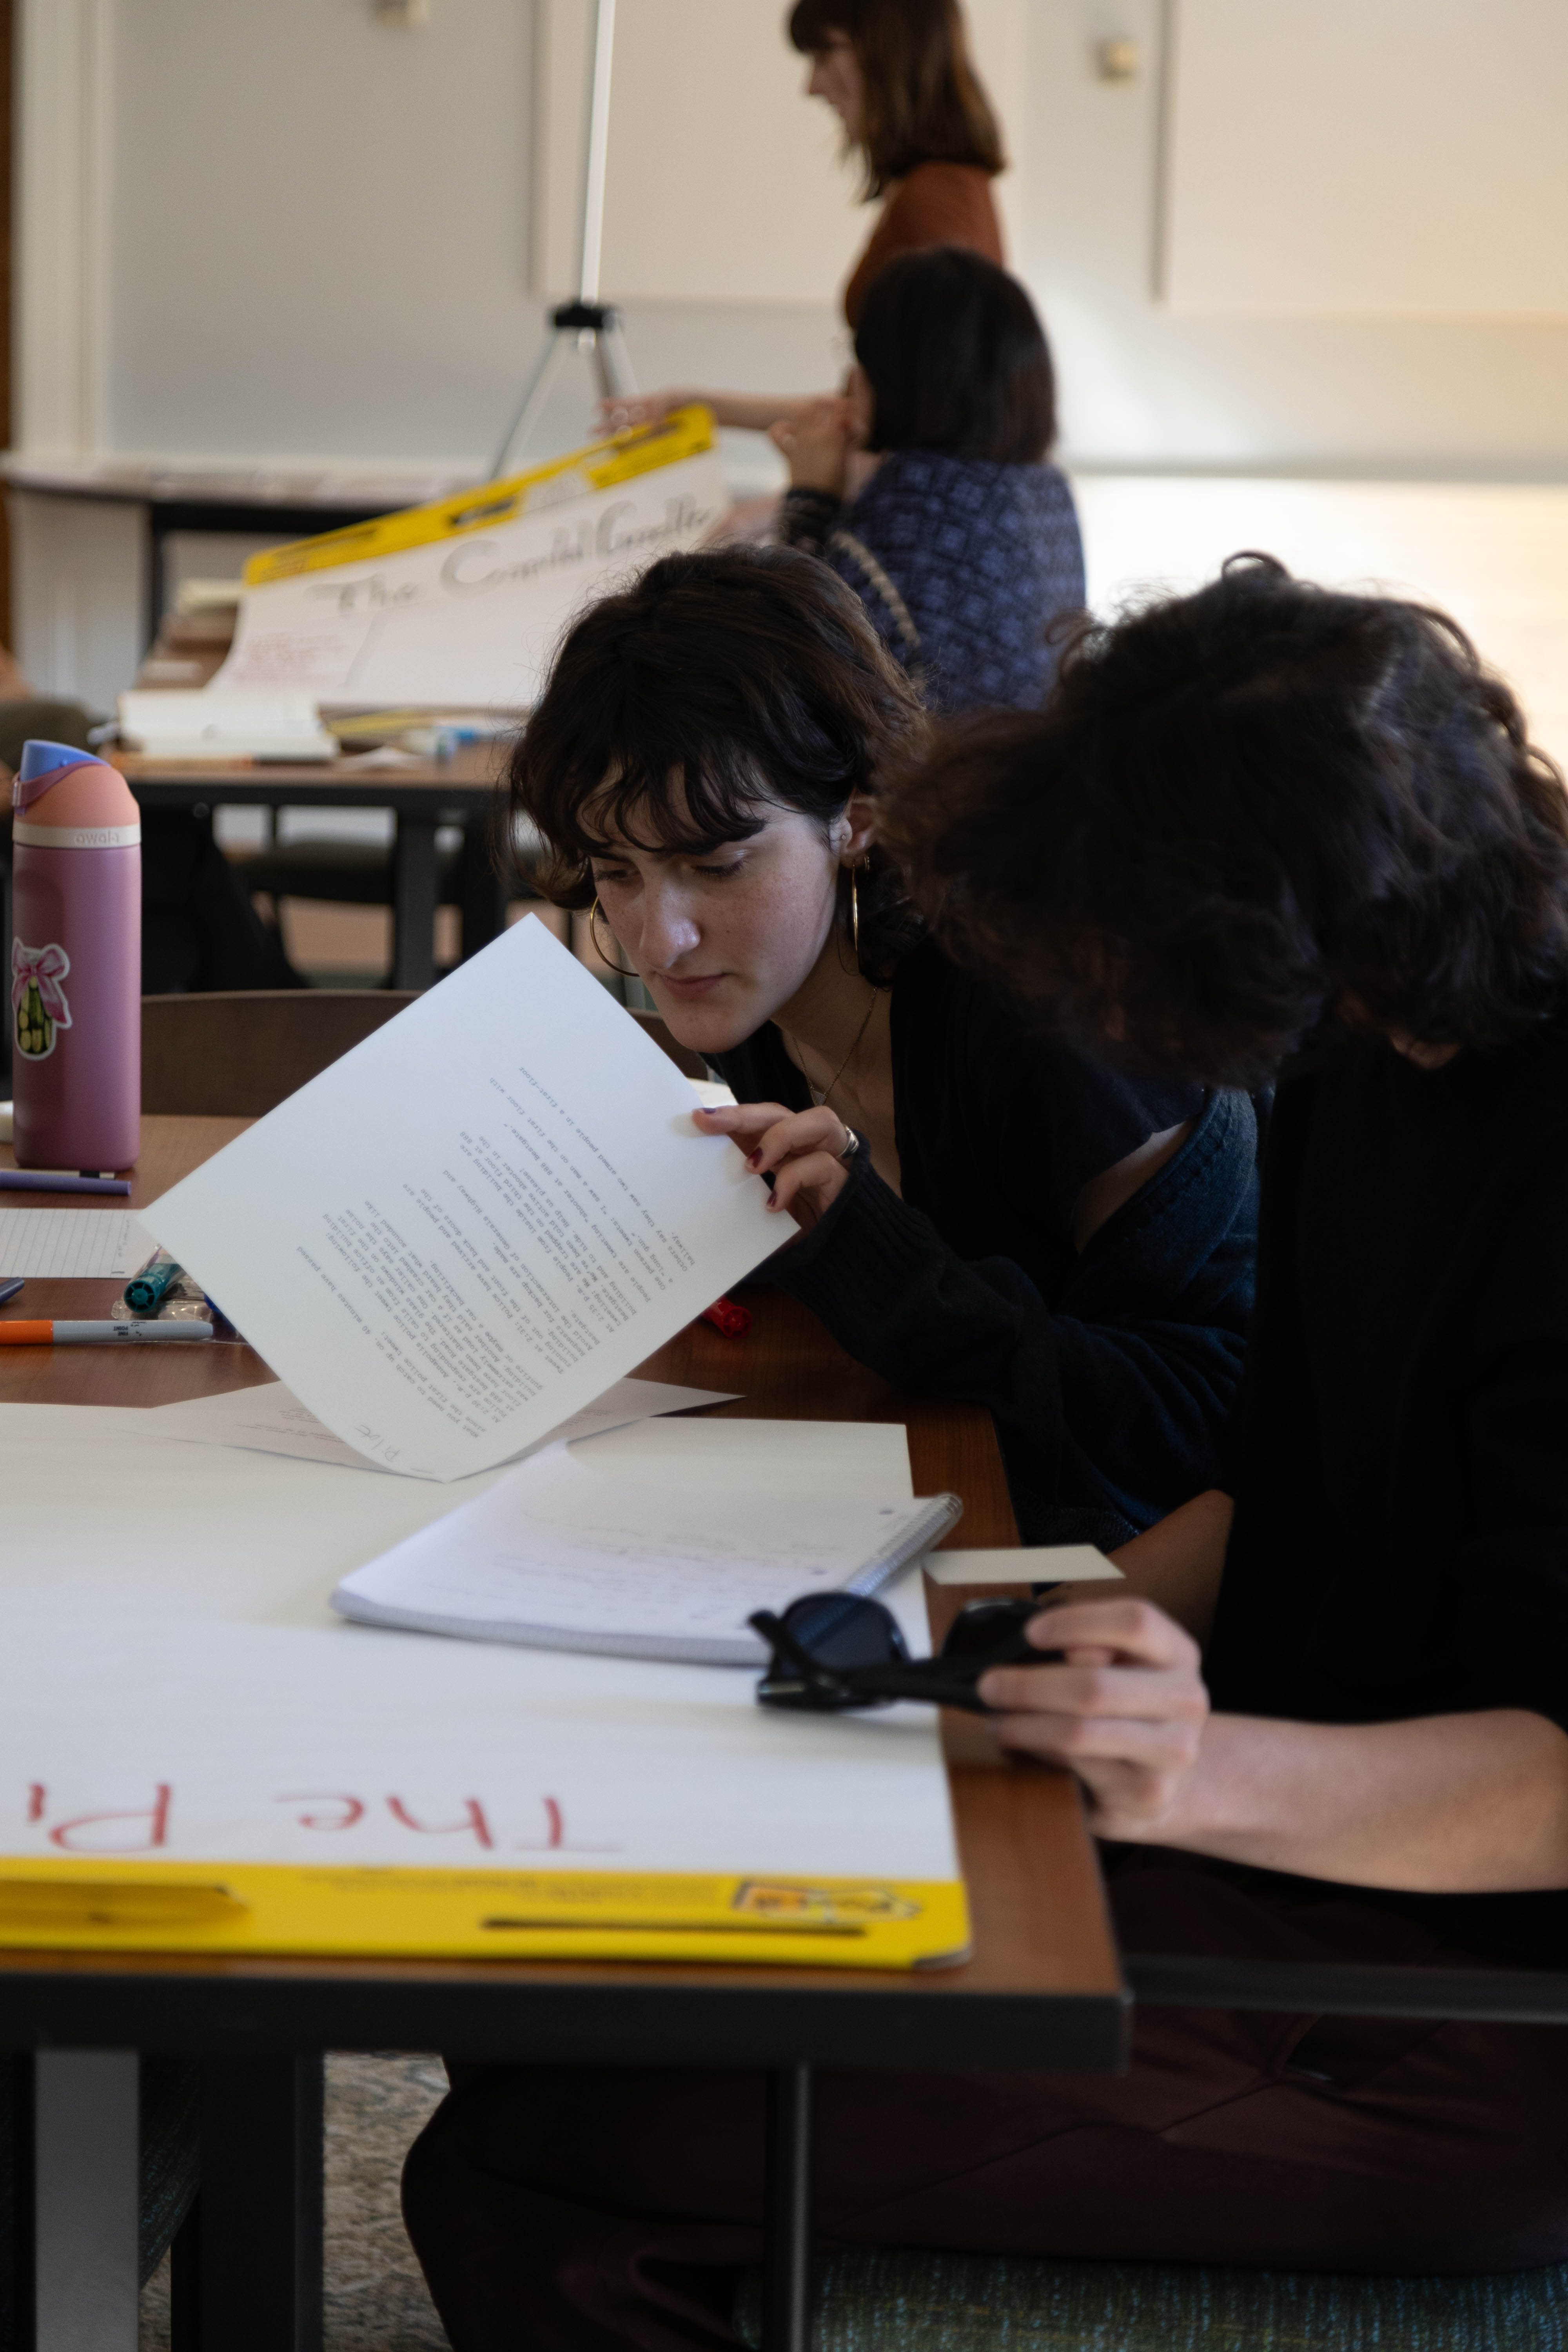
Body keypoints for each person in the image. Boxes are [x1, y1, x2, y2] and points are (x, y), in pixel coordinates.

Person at [401, 559, 1568, 2344]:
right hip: (1290, 1846)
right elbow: (1277, 1494)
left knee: (556, 2135)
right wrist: (945, 1638)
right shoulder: (1375, 1039)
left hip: (1461, 2017)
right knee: (587, 1963)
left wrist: (1185, 1772)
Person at [503, 540, 1254, 1544]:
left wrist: (878, 1264)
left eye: (716, 864)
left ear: (854, 820)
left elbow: (1214, 1413)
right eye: (615, 870)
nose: (657, 937)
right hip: (934, 1489)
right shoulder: (769, 991)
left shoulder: (1043, 1011)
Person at [601, 0, 1005, 443]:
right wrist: (699, 408)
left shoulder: (938, 197)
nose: (811, 86)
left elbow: (938, 423)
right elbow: (881, 411)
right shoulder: (935, 189)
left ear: (892, 51)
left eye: (825, 55)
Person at [774, 246, 1085, 712]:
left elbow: (796, 669)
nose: (851, 379)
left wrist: (811, 501)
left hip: (942, 781)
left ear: (898, 376)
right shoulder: (1047, 488)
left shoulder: (907, 507)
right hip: (1042, 770)